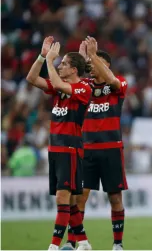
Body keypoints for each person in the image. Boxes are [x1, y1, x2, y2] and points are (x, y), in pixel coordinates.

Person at [26, 37, 92, 250]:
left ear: (74, 70)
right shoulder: (59, 89)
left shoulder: (83, 89)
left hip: (70, 148)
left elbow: (55, 81)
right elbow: (31, 78)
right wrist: (42, 56)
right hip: (55, 148)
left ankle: (54, 246)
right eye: (60, 63)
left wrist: (50, 61)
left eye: (63, 63)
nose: (59, 66)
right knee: (70, 202)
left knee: (63, 197)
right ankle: (83, 243)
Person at [62, 37, 129, 250]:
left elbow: (112, 80)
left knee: (115, 197)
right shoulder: (85, 88)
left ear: (106, 65)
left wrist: (92, 55)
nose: (91, 67)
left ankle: (117, 245)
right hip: (87, 150)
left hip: (111, 149)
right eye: (89, 65)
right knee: (79, 199)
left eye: (94, 63)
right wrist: (82, 58)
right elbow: (70, 80)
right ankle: (75, 243)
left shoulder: (119, 84)